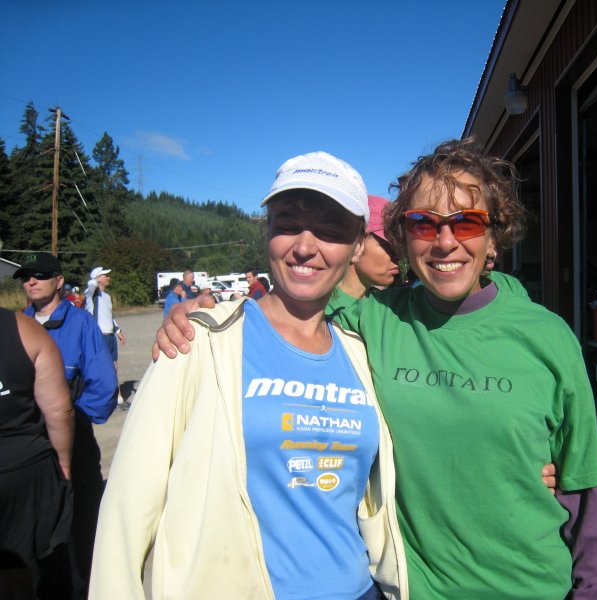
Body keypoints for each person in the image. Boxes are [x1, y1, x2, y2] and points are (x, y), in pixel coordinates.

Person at [156, 139, 597, 598]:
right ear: (400, 237)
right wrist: (207, 311)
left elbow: (584, 482)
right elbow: (288, 305)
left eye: (468, 222)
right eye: (422, 223)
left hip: (532, 585)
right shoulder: (373, 320)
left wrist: (596, 590)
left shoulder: (547, 336)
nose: (445, 241)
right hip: (417, 590)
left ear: (494, 235)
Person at [90, 151, 406, 600]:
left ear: (357, 246)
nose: (304, 246)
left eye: (331, 231)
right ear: (268, 233)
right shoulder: (199, 341)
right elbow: (126, 506)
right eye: (288, 223)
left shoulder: (361, 353)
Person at [14, 252, 118, 598]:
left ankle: (93, 587)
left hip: (75, 443)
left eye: (40, 275)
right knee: (37, 534)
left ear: (59, 281)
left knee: (83, 525)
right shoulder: (15, 326)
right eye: (26, 276)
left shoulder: (81, 325)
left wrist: (69, 419)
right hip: (30, 450)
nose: (31, 281)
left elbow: (103, 387)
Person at [0, 308, 74, 600]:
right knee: (21, 572)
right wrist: (64, 464)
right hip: (22, 472)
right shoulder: (23, 328)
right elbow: (59, 410)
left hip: (19, 470)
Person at [329, 195, 400, 312]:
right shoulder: (317, 309)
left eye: (399, 249)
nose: (397, 256)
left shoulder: (390, 310)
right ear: (358, 243)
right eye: (388, 246)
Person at [85, 266, 127, 410]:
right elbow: (90, 287)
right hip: (99, 336)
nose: (108, 278)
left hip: (110, 336)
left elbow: (110, 316)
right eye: (105, 276)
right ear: (98, 278)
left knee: (114, 367)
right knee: (103, 369)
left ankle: (118, 399)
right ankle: (105, 400)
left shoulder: (107, 297)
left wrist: (118, 330)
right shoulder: (92, 295)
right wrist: (95, 280)